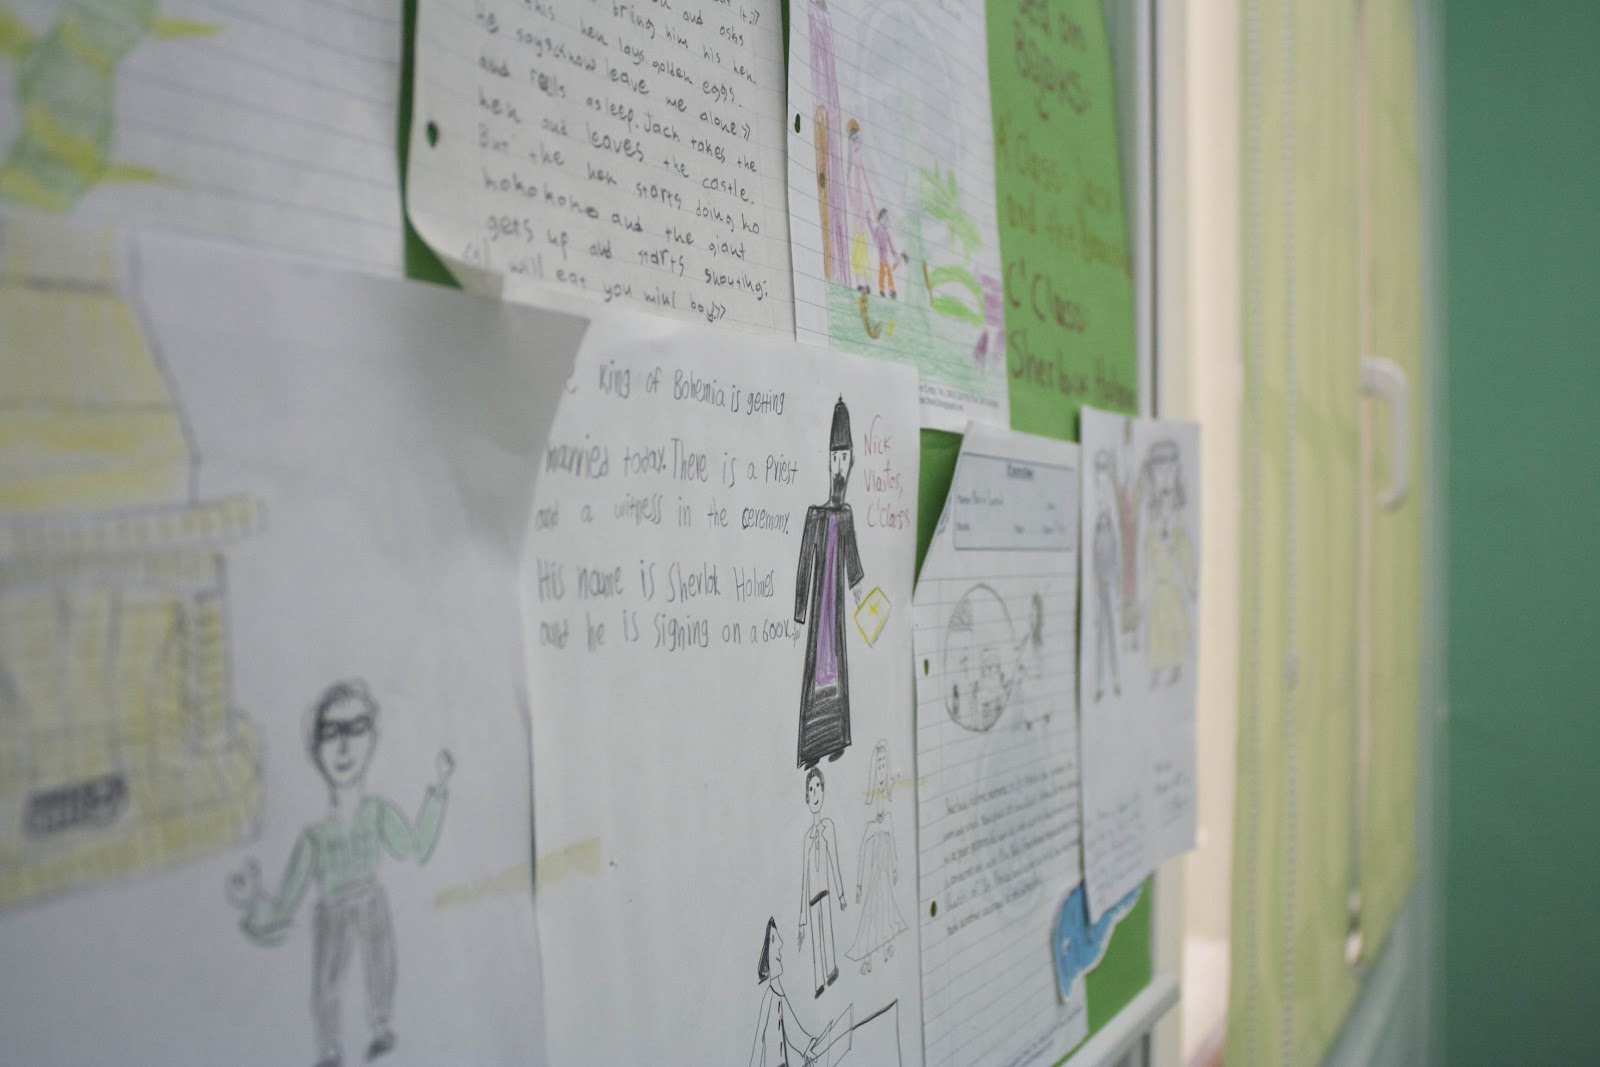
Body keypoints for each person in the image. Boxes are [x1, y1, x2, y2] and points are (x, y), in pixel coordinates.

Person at [226, 681, 453, 1067]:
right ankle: (329, 1047)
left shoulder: (377, 812)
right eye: (331, 733)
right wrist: (252, 902)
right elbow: (284, 905)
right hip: (331, 911)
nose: (344, 746)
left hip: (371, 900)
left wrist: (440, 791)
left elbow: (415, 847)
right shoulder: (314, 838)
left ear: (372, 738)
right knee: (328, 980)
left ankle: (382, 1027)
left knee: (381, 964)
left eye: (355, 729)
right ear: (315, 748)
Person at [795, 398, 865, 769]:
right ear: (828, 462)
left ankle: (836, 739)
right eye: (835, 458)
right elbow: (804, 567)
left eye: (845, 458)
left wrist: (863, 599)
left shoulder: (847, 516)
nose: (839, 467)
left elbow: (854, 568)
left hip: (835, 615)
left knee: (837, 670)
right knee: (816, 672)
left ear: (851, 463)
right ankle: (812, 746)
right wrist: (799, 614)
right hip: (818, 619)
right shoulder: (816, 516)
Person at [750, 918, 850, 1066]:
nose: (781, 943)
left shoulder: (777, 992)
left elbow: (790, 1026)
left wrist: (806, 1047)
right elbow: (759, 1039)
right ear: (767, 953)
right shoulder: (769, 995)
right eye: (774, 939)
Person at [845, 742, 906, 974]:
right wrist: (859, 886)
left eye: (884, 764)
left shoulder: (886, 811)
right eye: (878, 765)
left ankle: (887, 945)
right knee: (872, 908)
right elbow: (862, 851)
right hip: (875, 869)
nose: (882, 770)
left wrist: (895, 868)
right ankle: (869, 955)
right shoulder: (870, 812)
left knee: (886, 906)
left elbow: (892, 841)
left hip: (884, 866)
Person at [1142, 442, 1197, 685]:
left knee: (1176, 625)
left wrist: (1191, 581)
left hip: (1172, 586)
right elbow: (1146, 557)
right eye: (1160, 471)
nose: (1165, 478)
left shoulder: (1178, 523)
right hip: (1159, 586)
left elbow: (1186, 554)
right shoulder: (1151, 523)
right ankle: (1156, 670)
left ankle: (1174, 667)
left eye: (1170, 470)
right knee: (1157, 629)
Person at [798, 766, 846, 997]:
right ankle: (819, 981)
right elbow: (804, 880)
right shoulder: (807, 839)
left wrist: (841, 895)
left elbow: (835, 861)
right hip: (811, 898)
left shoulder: (828, 828)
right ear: (807, 797)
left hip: (825, 892)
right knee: (816, 941)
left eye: (818, 787)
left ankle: (830, 971)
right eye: (811, 789)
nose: (815, 793)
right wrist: (801, 921)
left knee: (827, 932)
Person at [1092, 452, 1122, 701]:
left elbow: (1115, 558)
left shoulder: (1110, 526)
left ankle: (1115, 681)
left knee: (1112, 636)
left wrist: (1116, 586)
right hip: (1099, 588)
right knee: (1100, 637)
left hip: (1109, 587)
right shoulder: (1096, 525)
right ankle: (1100, 684)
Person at [870, 208, 899, 299]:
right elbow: (874, 237)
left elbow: (891, 245)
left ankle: (886, 290)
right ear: (880, 218)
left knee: (885, 272)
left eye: (887, 218)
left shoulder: (886, 232)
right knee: (884, 272)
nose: (886, 220)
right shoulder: (878, 229)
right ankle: (887, 289)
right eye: (884, 217)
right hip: (881, 256)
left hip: (886, 256)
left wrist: (895, 256)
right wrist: (868, 220)